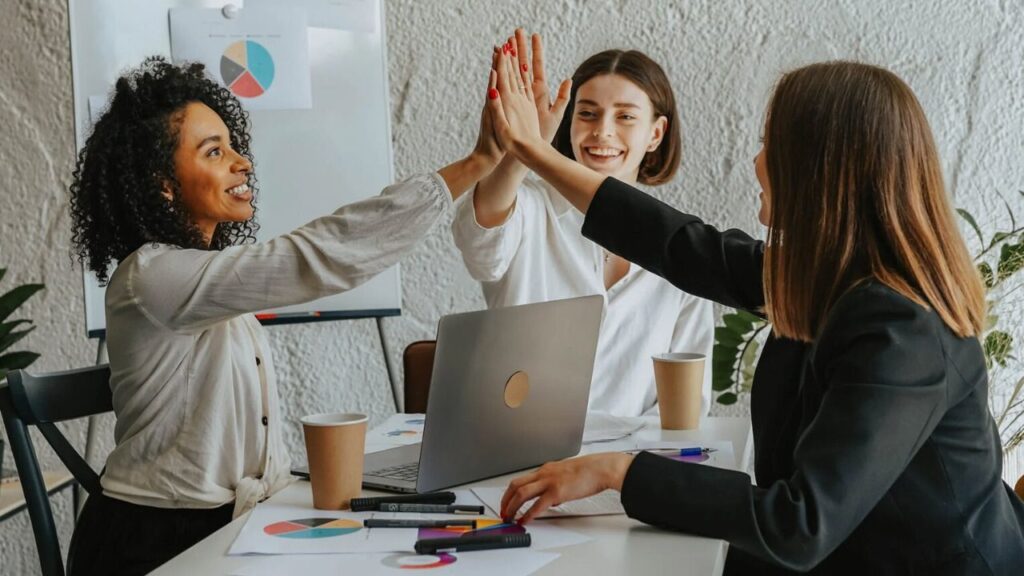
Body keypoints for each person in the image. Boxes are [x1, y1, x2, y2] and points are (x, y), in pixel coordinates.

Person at [487, 45, 1024, 574]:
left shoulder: (902, 330)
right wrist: (536, 152)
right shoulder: (827, 277)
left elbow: (799, 524)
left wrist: (619, 473)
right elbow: (678, 243)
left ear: (820, 170)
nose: (756, 160)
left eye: (771, 143)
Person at [65, 56, 504, 575]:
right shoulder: (152, 276)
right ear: (163, 184)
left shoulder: (206, 283)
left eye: (232, 145)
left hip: (224, 526)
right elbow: (315, 255)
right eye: (214, 151)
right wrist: (476, 163)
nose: (241, 162)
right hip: (151, 544)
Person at [452, 30, 713, 417]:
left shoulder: (682, 245)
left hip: (627, 467)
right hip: (518, 457)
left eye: (625, 116)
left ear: (655, 133)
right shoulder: (529, 207)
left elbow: (687, 403)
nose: (602, 131)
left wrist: (625, 470)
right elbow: (480, 240)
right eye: (587, 113)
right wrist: (525, 147)